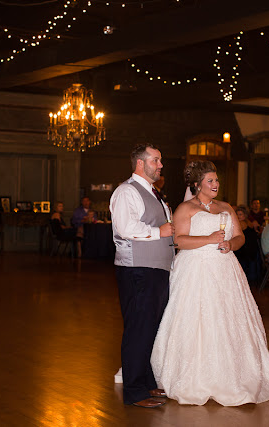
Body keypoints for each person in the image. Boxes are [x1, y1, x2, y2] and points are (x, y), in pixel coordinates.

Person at [151, 160, 269, 406]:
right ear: (197, 184)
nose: (216, 184)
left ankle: (235, 374)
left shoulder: (225, 207)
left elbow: (240, 237)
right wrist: (209, 238)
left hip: (225, 267)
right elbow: (179, 241)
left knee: (228, 317)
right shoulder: (185, 208)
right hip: (195, 269)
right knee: (197, 317)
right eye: (210, 181)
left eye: (216, 180)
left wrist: (229, 244)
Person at [109, 143, 175, 409]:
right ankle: (134, 391)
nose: (160, 165)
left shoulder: (154, 192)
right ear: (140, 163)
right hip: (138, 270)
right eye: (156, 160)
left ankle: (146, 382)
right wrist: (161, 232)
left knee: (149, 328)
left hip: (155, 269)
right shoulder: (126, 191)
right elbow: (126, 228)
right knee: (138, 329)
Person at [234, 206, 261, 283]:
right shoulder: (249, 222)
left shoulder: (241, 223)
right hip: (252, 250)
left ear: (245, 215)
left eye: (240, 214)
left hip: (246, 250)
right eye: (237, 214)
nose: (238, 216)